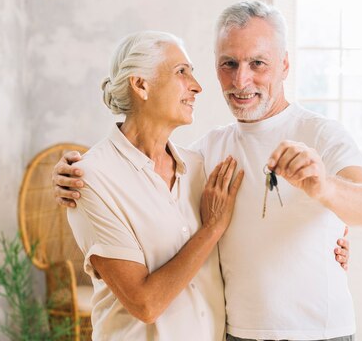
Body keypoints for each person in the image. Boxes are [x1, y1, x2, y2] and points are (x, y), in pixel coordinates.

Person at [54, 0, 362, 341]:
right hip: (236, 334)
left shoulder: (321, 134)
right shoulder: (204, 153)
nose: (241, 79)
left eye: (257, 63)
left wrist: (325, 189)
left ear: (285, 65)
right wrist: (70, 175)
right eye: (228, 64)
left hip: (320, 333)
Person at [65, 31, 244, 340]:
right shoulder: (91, 178)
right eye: (181, 72)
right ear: (141, 85)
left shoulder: (199, 167)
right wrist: (211, 228)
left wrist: (332, 239)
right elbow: (145, 303)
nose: (197, 86)